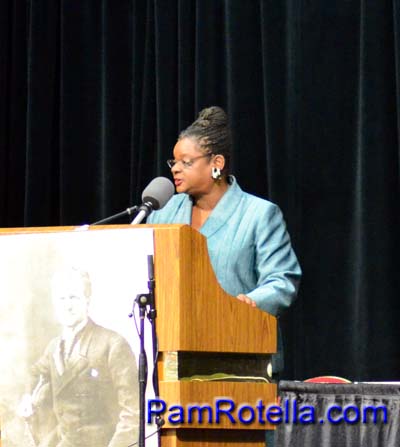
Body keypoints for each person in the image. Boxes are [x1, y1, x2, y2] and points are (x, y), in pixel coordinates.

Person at [147, 106, 302, 446]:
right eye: (173, 162)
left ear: (216, 163)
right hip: (172, 361)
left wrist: (248, 302)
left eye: (186, 162)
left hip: (240, 364)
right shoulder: (164, 212)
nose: (175, 169)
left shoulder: (259, 214)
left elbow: (283, 279)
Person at [18, 266, 139, 447]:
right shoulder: (54, 348)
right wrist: (27, 396)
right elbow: (35, 372)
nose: (67, 305)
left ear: (87, 301)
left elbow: (133, 413)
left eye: (74, 297)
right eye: (61, 299)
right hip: (62, 440)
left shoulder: (112, 344)